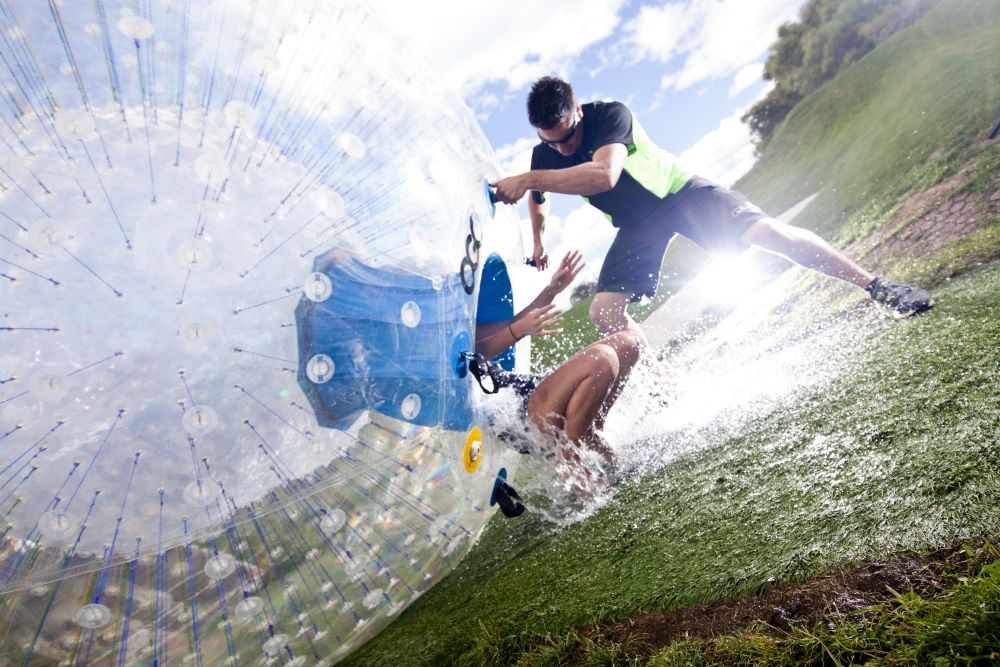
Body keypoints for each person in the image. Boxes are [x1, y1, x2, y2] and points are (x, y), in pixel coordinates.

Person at [490, 76, 933, 340]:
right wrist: (538, 241)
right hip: (636, 224)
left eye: (567, 136)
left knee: (768, 235)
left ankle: (876, 286)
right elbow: (540, 200)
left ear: (577, 114)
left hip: (680, 195)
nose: (561, 148)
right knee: (603, 313)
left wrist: (529, 177)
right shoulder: (544, 154)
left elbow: (603, 176)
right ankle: (660, 382)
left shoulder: (609, 114)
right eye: (552, 142)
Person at [473, 250, 642, 470]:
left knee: (628, 344)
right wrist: (518, 331)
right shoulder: (433, 336)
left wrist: (554, 288)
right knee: (602, 359)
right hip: (517, 412)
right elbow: (476, 352)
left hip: (530, 390)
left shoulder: (459, 313)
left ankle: (591, 432)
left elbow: (508, 326)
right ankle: (569, 462)